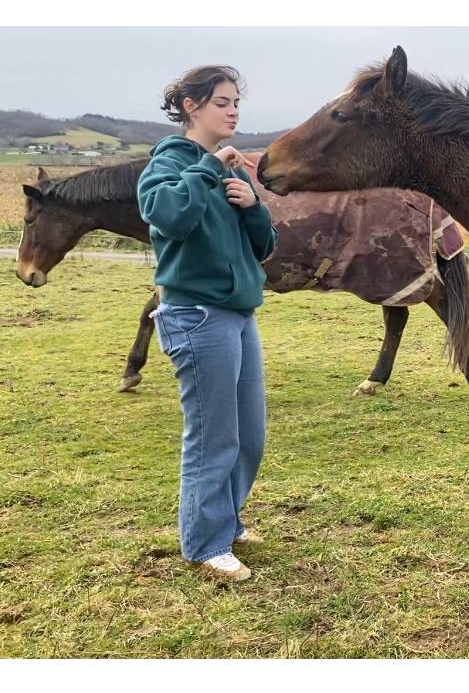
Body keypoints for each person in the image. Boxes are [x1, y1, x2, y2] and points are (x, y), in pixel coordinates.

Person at [138, 65, 277, 582]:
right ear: (191, 107)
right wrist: (209, 170)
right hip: (197, 315)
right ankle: (204, 544)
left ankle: (228, 520)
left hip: (239, 314)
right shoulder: (169, 162)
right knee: (213, 436)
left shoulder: (234, 171)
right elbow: (168, 215)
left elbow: (264, 248)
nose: (234, 110)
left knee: (249, 435)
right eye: (222, 101)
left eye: (236, 101)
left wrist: (252, 206)